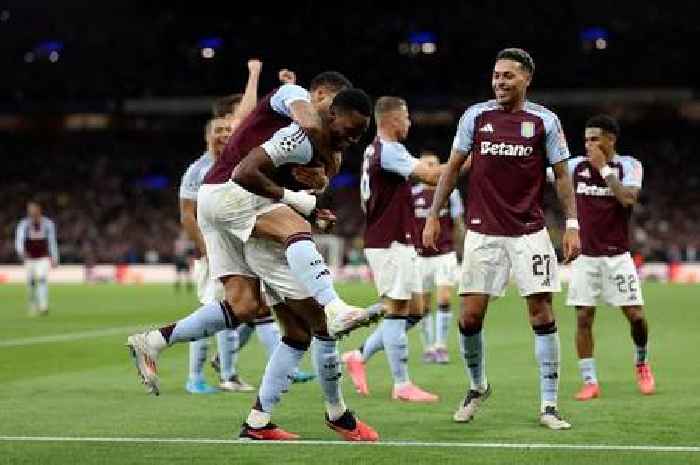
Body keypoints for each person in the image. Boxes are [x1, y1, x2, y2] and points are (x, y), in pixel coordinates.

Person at [127, 86, 376, 396]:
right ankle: (335, 307)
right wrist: (301, 197)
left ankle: (152, 341)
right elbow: (288, 138)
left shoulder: (320, 146)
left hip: (221, 199)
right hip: (232, 193)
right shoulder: (296, 103)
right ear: (323, 96)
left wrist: (315, 192)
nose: (351, 136)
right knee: (295, 235)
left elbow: (293, 178)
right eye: (340, 114)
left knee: (244, 306)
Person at [423, 48, 581, 430]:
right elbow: (452, 170)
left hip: (529, 233)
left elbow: (561, 176)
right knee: (469, 317)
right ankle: (477, 387)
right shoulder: (475, 116)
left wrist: (573, 223)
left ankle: (548, 405)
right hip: (482, 232)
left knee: (541, 313)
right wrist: (432, 216)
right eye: (496, 76)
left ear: (527, 78)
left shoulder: (545, 121)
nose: (499, 82)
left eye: (508, 76)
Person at [342, 96, 443, 402]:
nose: (410, 123)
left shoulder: (382, 150)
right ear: (392, 120)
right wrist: (470, 157)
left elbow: (422, 169)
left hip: (397, 239)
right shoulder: (387, 151)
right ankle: (402, 385)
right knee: (397, 309)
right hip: (389, 241)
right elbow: (430, 176)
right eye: (407, 117)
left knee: (415, 309)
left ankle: (358, 355)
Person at [563, 114, 655, 400]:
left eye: (594, 139)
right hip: (585, 257)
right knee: (583, 318)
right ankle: (590, 380)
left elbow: (627, 199)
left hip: (618, 256)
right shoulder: (574, 166)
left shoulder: (629, 165)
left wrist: (603, 169)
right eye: (586, 139)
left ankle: (641, 363)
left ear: (610, 140)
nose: (588, 144)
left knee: (636, 317)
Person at [412, 152, 464, 364]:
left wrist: (465, 248)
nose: (432, 169)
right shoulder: (412, 194)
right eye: (427, 165)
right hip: (420, 256)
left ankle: (441, 345)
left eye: (435, 164)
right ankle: (429, 347)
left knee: (444, 298)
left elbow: (459, 222)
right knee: (423, 306)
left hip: (445, 253)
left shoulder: (451, 193)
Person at [15, 201, 59, 315]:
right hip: (29, 258)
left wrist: (54, 257)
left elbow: (52, 241)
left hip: (42, 257)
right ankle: (32, 303)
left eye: (34, 210)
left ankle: (43, 306)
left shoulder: (48, 224)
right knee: (31, 282)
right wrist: (21, 252)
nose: (32, 212)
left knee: (42, 278)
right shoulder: (24, 224)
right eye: (30, 210)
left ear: (39, 210)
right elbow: (19, 240)